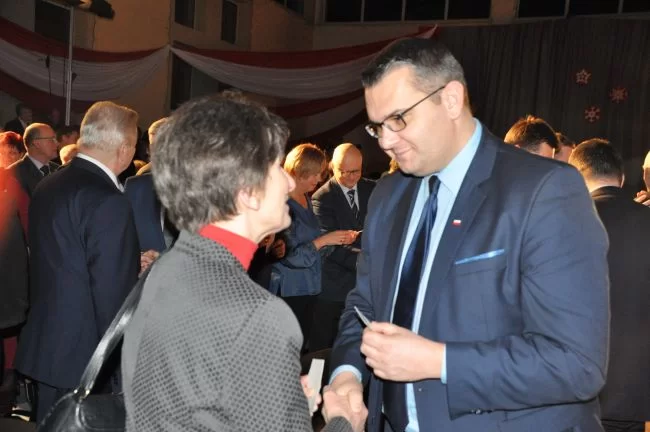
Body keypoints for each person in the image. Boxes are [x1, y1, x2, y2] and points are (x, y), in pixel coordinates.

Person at [329, 37, 609, 432]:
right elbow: (364, 306)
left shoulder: (543, 190)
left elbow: (576, 364)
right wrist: (347, 375)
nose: (386, 140)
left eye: (399, 119)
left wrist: (438, 361)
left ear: (451, 99)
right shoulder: (389, 194)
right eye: (377, 127)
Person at [121, 93, 367, 432]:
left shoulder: (166, 269)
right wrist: (344, 423)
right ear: (247, 192)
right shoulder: (258, 316)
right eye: (276, 168)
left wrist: (273, 400)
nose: (289, 181)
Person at [15, 101, 142, 422]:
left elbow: (66, 254)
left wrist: (128, 259)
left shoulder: (49, 183)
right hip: (85, 357)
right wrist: (119, 366)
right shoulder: (108, 199)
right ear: (125, 149)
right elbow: (111, 296)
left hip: (49, 344)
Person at [569, 139, 650, 432]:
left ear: (576, 176)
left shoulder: (564, 221)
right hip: (636, 391)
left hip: (576, 387)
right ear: (622, 177)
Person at [271, 143, 358, 352]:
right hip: (290, 291)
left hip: (309, 288)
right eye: (315, 174)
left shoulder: (305, 199)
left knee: (304, 349)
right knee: (288, 351)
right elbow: (290, 257)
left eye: (320, 174)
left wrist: (338, 239)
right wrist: (325, 240)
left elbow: (315, 245)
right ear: (299, 171)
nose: (319, 179)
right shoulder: (281, 203)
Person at [310, 143, 375, 352]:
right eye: (343, 171)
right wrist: (367, 263)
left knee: (360, 349)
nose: (349, 177)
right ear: (332, 167)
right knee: (324, 349)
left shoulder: (373, 189)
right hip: (334, 288)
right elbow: (330, 248)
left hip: (366, 289)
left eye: (355, 171)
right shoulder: (322, 197)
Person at [6, 123, 59, 197]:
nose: (57, 143)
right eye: (51, 140)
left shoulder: (58, 169)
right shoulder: (13, 174)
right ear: (36, 143)